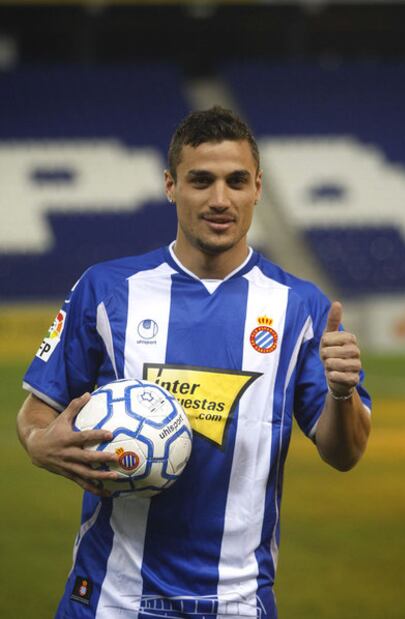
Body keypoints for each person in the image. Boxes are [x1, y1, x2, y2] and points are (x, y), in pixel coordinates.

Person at [17, 106, 371, 619]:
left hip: (237, 603)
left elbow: (345, 453)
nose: (220, 199)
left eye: (236, 181)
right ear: (170, 185)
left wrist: (342, 393)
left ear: (258, 187)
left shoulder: (303, 306)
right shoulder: (106, 288)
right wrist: (37, 443)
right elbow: (37, 410)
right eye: (200, 181)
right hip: (109, 599)